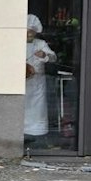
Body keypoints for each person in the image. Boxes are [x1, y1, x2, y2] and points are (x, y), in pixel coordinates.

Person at [25, 13, 57, 142]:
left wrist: (44, 54)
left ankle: (37, 131)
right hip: (22, 82)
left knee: (37, 108)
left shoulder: (41, 43)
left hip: (37, 81)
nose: (29, 35)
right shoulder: (15, 43)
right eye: (27, 32)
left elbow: (53, 57)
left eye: (31, 33)